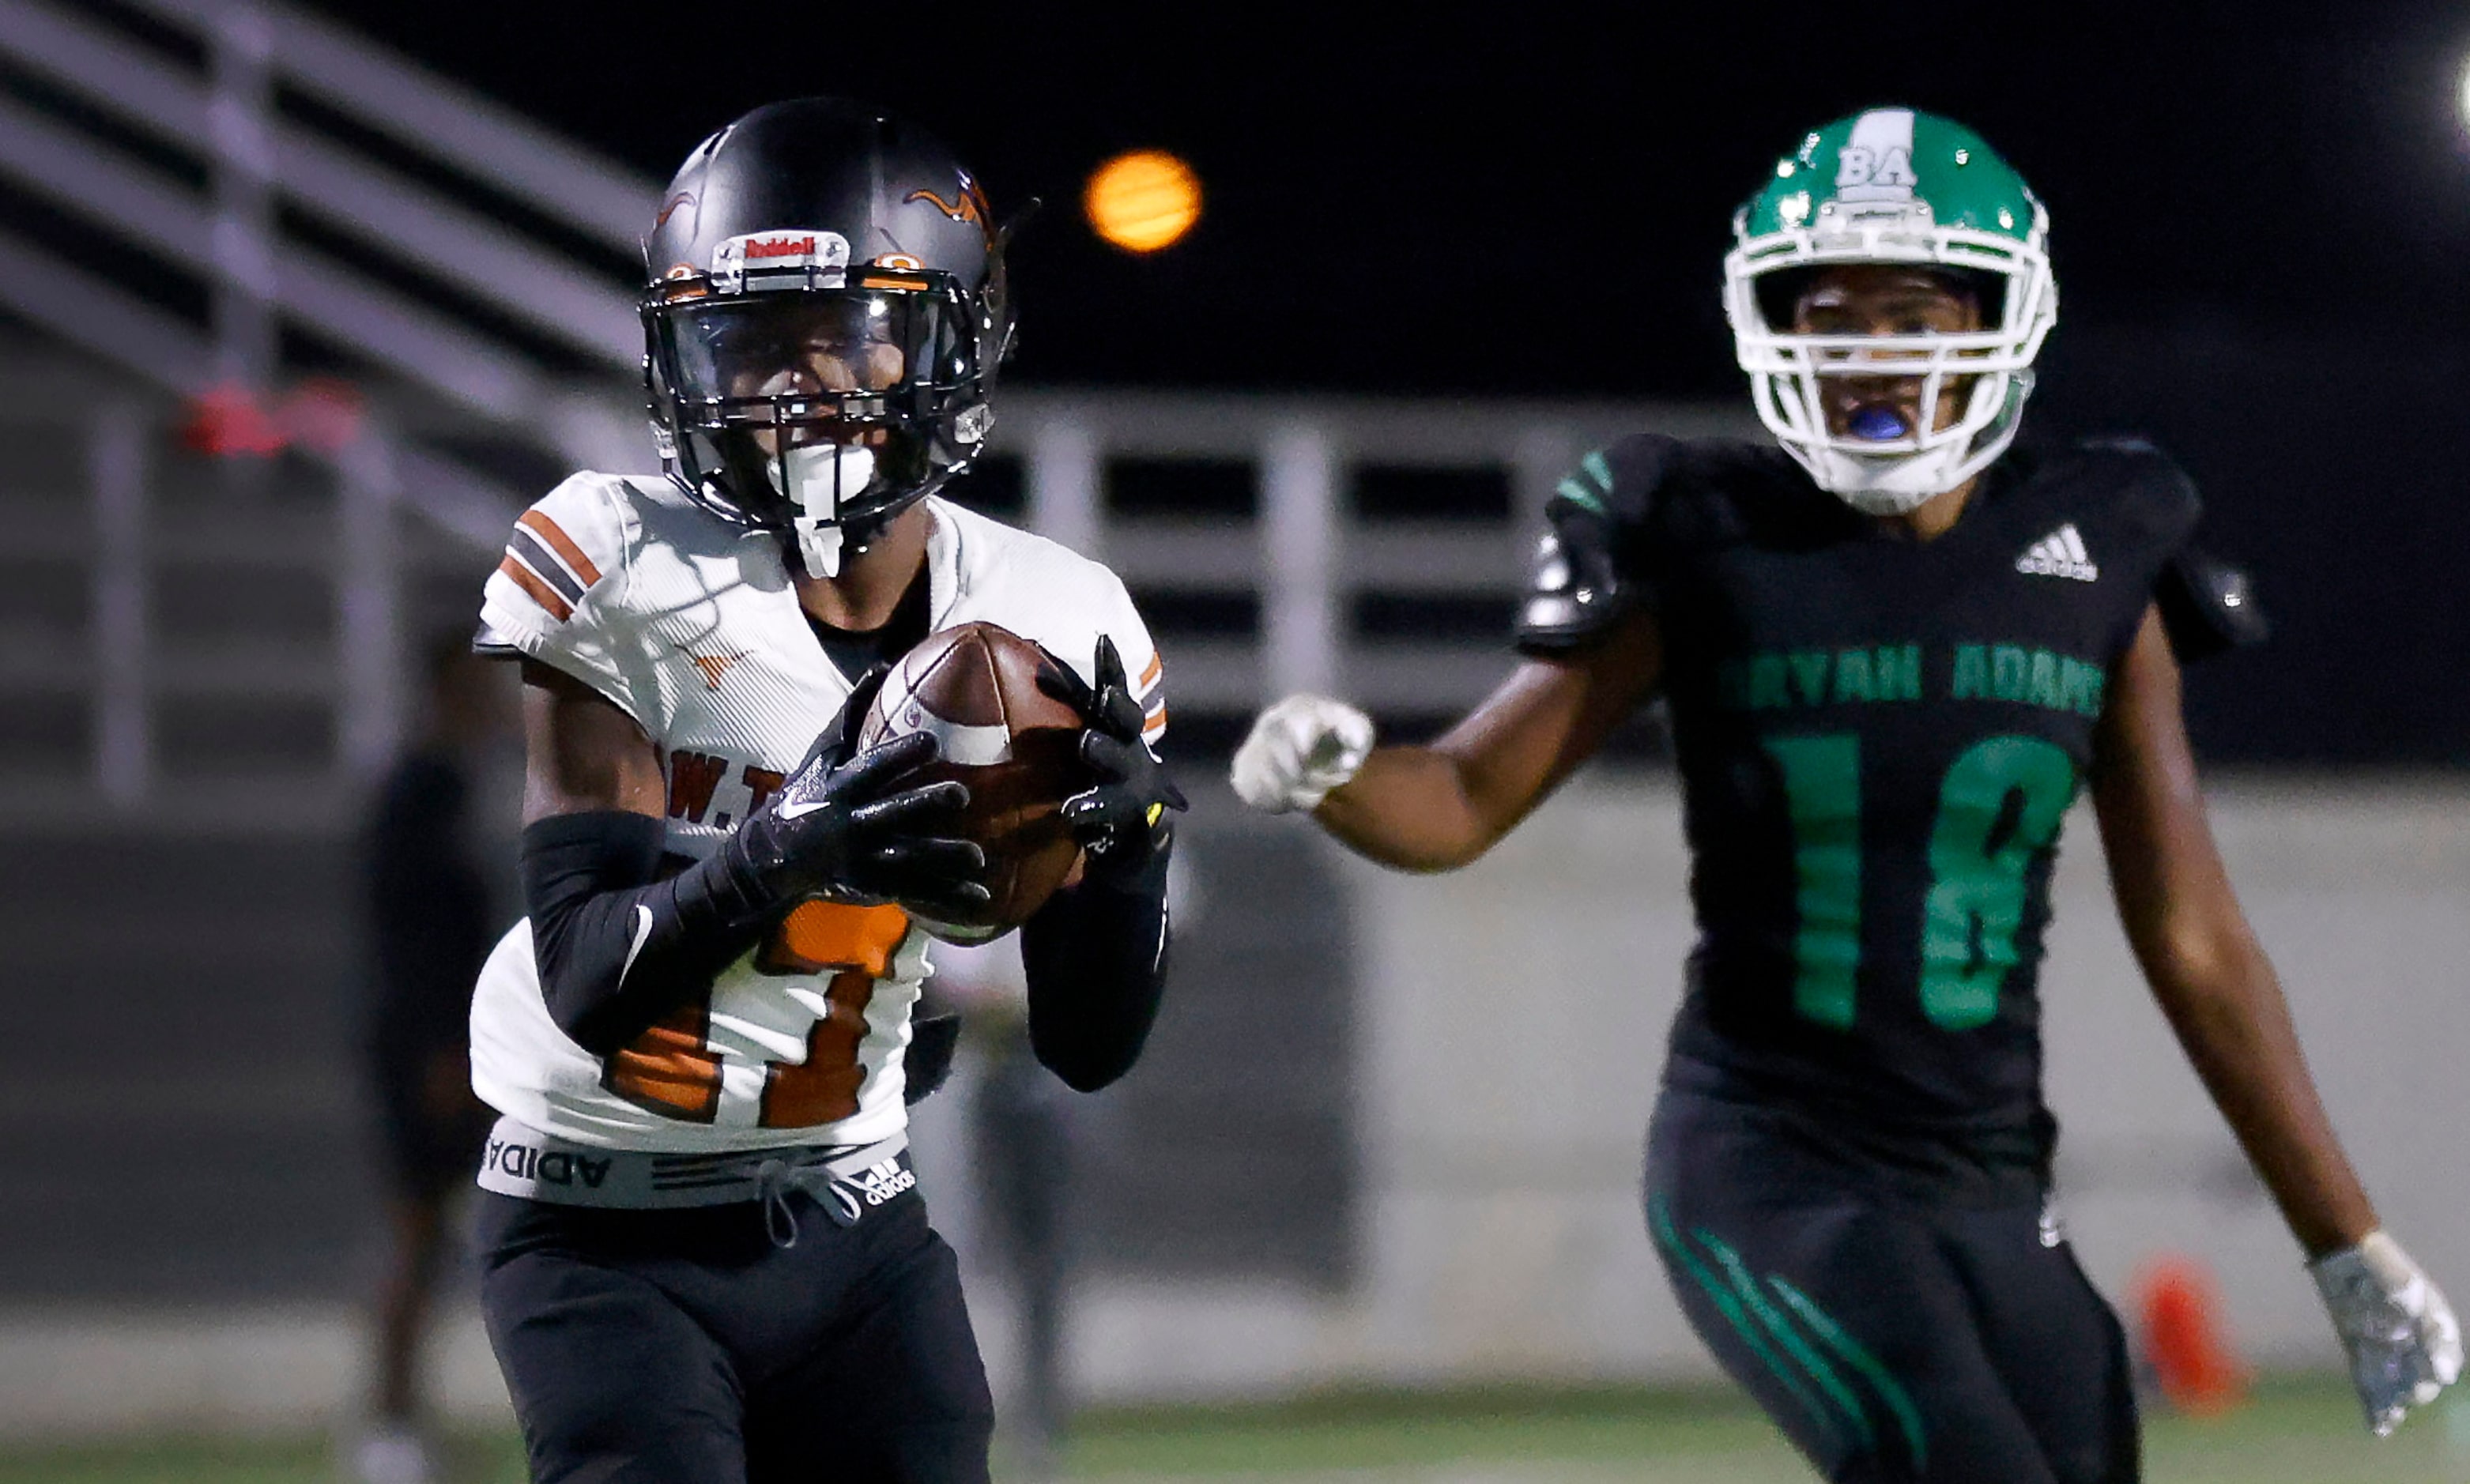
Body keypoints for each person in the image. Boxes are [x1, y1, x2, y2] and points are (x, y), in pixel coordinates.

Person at [1230, 107, 2460, 1483]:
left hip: (1993, 1180)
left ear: (2001, 319)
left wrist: (2345, 1239)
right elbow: (1461, 796)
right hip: (1773, 1173)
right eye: (1829, 311)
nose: (1869, 351)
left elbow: (2195, 936)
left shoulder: (2100, 534)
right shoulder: (1709, 532)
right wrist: (1340, 772)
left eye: (1912, 310)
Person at [465, 98, 1182, 1484]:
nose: (794, 387)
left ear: (946, 342)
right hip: (602, 1226)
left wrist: (1132, 855)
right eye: (747, 343)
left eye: (842, 337)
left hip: (853, 1220)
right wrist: (793, 844)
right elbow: (588, 975)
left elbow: (1088, 1044)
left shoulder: (1052, 615)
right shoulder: (616, 553)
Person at [354, 630, 515, 1484]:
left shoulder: (453, 790)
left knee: (436, 1235)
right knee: (417, 1230)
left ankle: (406, 1421)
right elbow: (408, 939)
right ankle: (387, 1428)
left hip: (451, 1044)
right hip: (431, 1051)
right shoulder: (418, 792)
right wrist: (439, 1049)